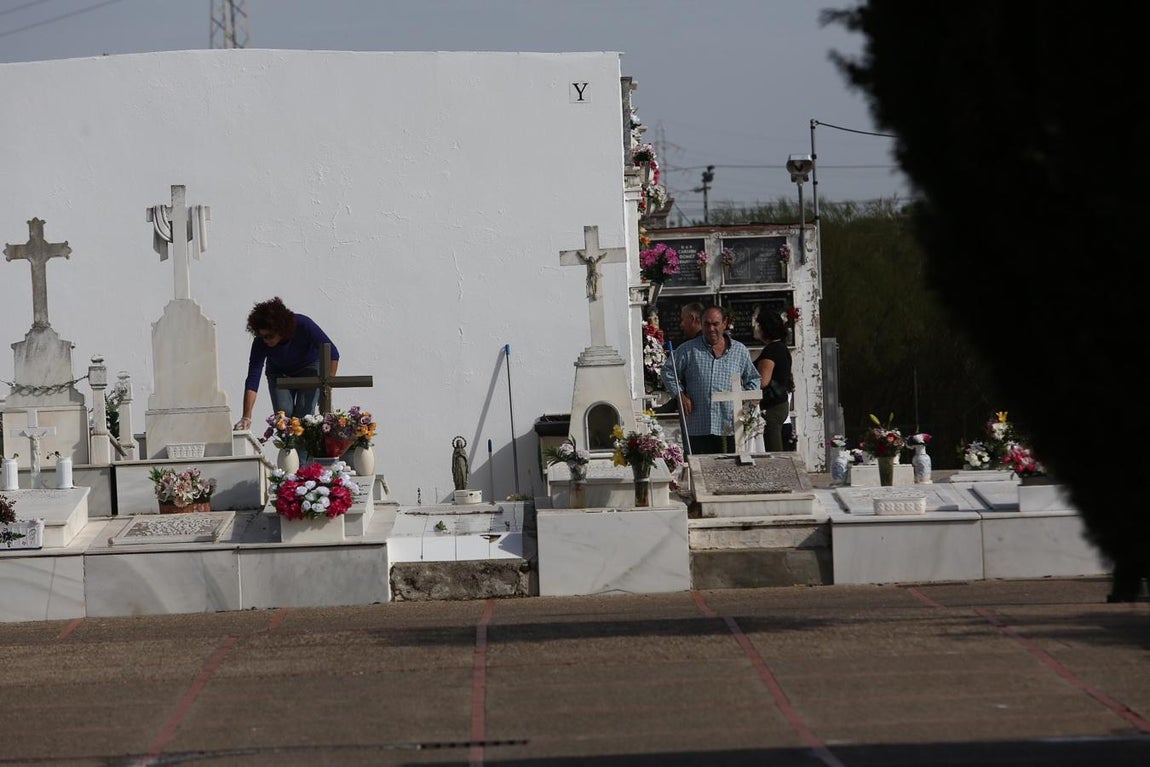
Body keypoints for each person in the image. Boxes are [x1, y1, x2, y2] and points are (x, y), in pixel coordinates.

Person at [661, 304, 759, 454]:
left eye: (715, 324)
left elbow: (753, 379)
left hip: (729, 425)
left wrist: (747, 405)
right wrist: (680, 394)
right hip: (698, 425)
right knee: (700, 472)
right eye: (706, 324)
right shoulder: (688, 350)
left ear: (725, 323)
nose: (711, 329)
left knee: (728, 471)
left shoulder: (739, 351)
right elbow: (668, 371)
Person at [232, 297, 339, 431]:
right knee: (283, 417)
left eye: (269, 336)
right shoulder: (260, 342)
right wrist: (246, 416)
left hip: (309, 367)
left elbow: (333, 353)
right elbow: (253, 378)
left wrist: (326, 389)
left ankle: (302, 452)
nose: (265, 340)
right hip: (279, 372)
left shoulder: (303, 324)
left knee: (304, 416)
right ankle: (288, 450)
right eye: (262, 336)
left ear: (281, 329)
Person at [752, 305, 793, 452]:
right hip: (779, 404)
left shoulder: (772, 350)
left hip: (772, 406)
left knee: (774, 449)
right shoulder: (781, 347)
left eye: (758, 325)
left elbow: (762, 381)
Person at [654, 301, 705, 414]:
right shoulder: (688, 346)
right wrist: (679, 395)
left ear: (692, 318)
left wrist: (679, 395)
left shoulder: (691, 347)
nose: (681, 325)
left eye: (683, 319)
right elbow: (668, 371)